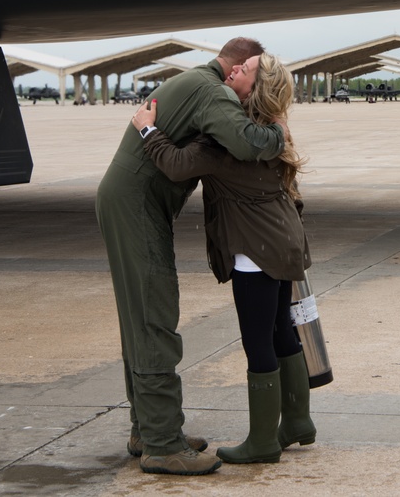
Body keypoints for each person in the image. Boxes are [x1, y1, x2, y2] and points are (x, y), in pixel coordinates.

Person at [95, 38, 286, 477]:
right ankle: (162, 445)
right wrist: (278, 128)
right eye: (254, 76)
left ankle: (148, 429)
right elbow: (246, 142)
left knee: (140, 316)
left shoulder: (197, 82)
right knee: (153, 316)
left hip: (131, 202)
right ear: (237, 66)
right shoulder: (211, 90)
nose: (249, 89)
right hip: (136, 207)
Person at [131, 52, 316, 465]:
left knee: (258, 343)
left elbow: (177, 166)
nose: (234, 70)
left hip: (256, 250)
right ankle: (298, 422)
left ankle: (263, 442)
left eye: (244, 69)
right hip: (284, 241)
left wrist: (147, 131)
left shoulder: (228, 140)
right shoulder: (273, 129)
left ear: (255, 87)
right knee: (281, 333)